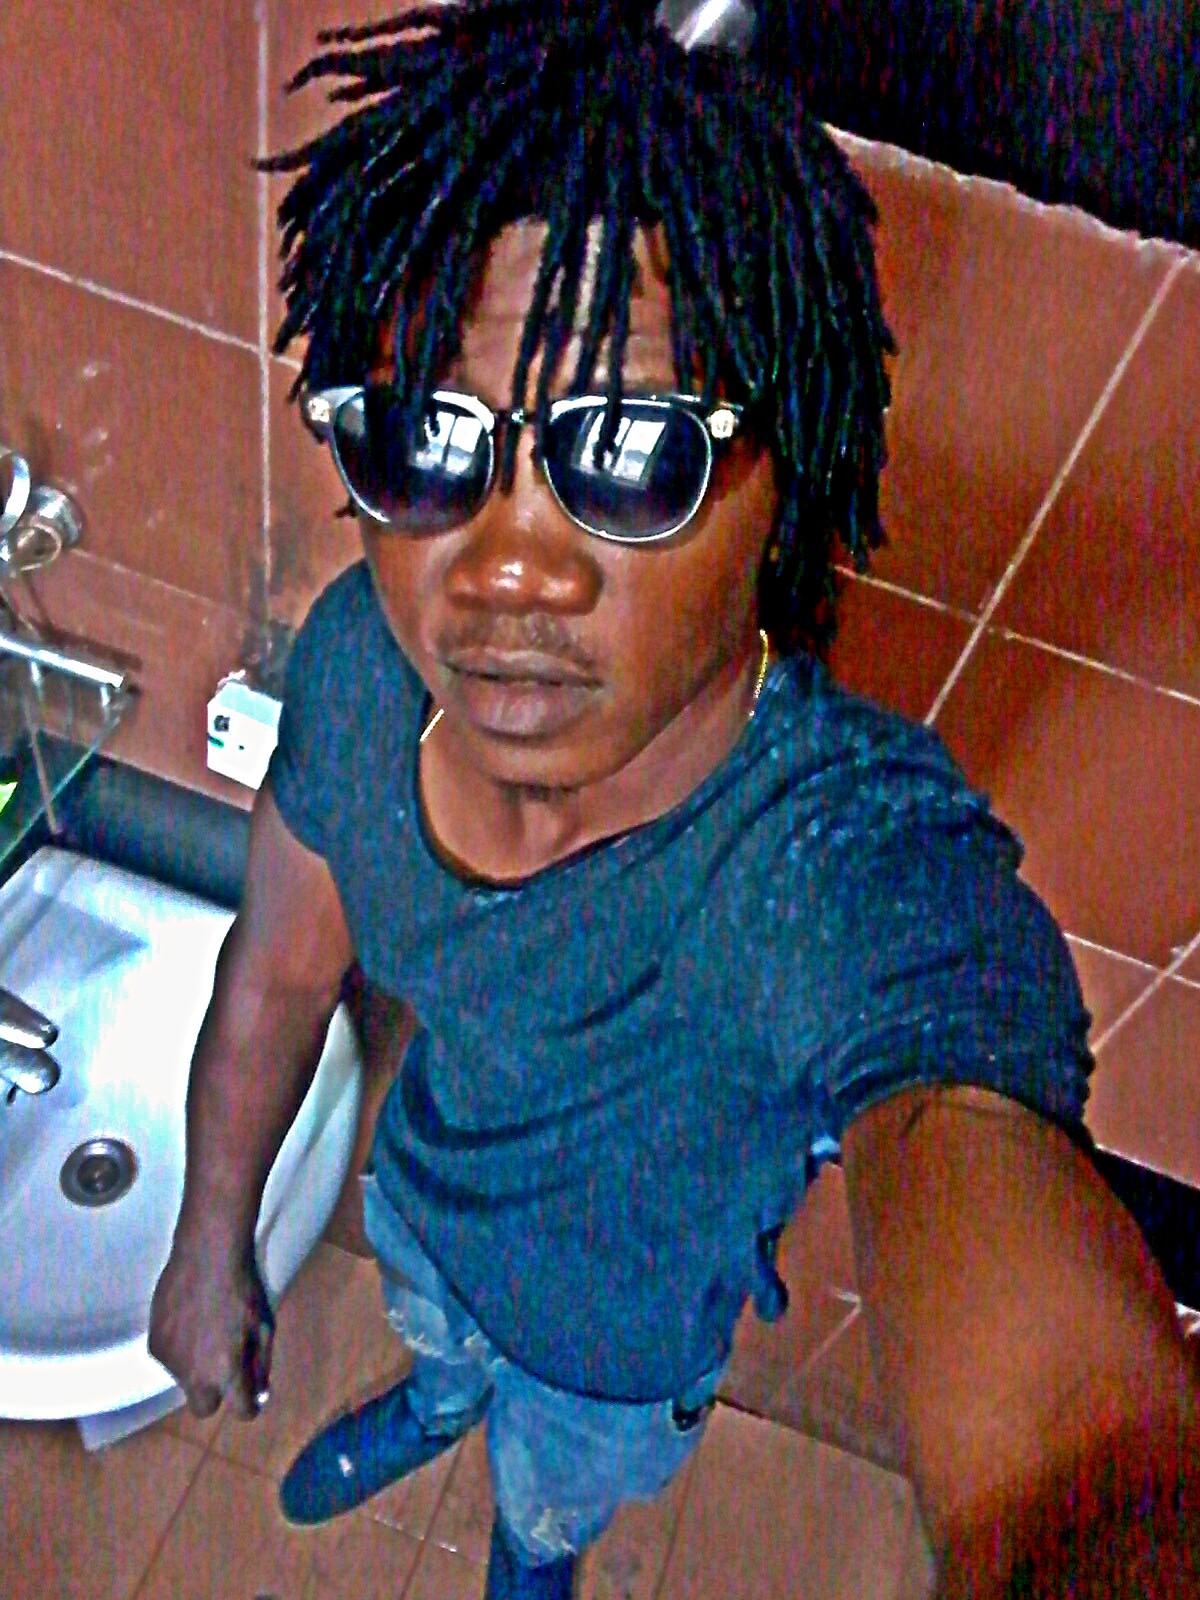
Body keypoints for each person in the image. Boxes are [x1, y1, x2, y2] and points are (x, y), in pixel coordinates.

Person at [148, 4, 1200, 1595]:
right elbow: (280, 970)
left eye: (630, 450)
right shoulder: (363, 661)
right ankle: (435, 1400)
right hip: (425, 1212)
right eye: (425, 436)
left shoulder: (828, 868)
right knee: (441, 1339)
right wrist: (206, 1243)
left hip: (617, 1362)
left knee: (550, 1496)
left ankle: (531, 1550)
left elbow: (1070, 1435)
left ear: (788, 479)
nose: (505, 564)